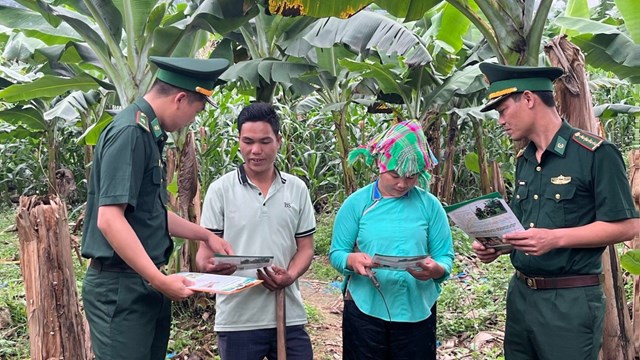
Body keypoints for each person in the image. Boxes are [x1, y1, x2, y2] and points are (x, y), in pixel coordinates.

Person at [473, 62, 640, 360]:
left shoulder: (595, 154)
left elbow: (627, 226)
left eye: (502, 110)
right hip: (521, 296)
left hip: (569, 302)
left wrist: (554, 239)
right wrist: (496, 245)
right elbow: (526, 224)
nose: (500, 121)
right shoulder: (525, 160)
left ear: (528, 99)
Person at [81, 56, 233, 360]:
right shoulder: (130, 133)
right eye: (196, 110)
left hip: (144, 282)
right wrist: (160, 280)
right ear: (180, 99)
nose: (192, 120)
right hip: (122, 289)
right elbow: (110, 220)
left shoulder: (149, 134)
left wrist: (204, 235)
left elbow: (151, 214)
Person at [196, 102, 316, 360]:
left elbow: (306, 247)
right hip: (238, 318)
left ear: (279, 141)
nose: (255, 150)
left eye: (265, 141)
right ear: (238, 140)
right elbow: (203, 256)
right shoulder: (221, 190)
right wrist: (213, 267)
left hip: (288, 314)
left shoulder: (296, 189)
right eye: (248, 141)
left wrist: (290, 275)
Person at [329, 120, 454, 360]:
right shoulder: (357, 204)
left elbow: (444, 256)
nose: (402, 184)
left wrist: (435, 270)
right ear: (380, 165)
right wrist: (352, 260)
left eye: (411, 177)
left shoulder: (430, 206)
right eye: (394, 175)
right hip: (365, 309)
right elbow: (337, 253)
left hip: (417, 308)